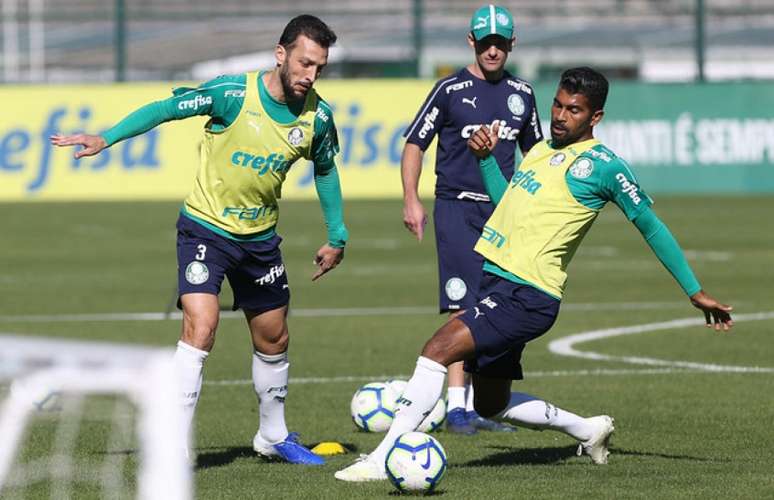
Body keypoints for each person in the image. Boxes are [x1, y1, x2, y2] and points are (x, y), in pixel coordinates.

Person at [335, 66, 733, 481]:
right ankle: (588, 429)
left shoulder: (604, 166)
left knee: (437, 349)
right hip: (497, 281)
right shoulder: (542, 149)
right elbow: (506, 201)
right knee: (490, 403)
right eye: (557, 105)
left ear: (595, 117)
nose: (560, 116)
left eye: (573, 110)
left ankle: (381, 461)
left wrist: (694, 290)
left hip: (527, 294)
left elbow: (650, 224)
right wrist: (486, 159)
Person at [51, 15, 347, 465]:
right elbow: (165, 109)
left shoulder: (318, 118)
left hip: (260, 239)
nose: (310, 75)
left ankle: (272, 436)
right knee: (201, 327)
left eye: (319, 68)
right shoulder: (232, 94)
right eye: (305, 63)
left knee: (274, 338)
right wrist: (106, 137)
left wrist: (337, 234)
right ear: (281, 54)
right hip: (205, 228)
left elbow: (325, 170)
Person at [402, 4, 541, 434]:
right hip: (458, 209)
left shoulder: (523, 94)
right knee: (463, 305)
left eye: (500, 43)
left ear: (512, 44)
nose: (493, 50)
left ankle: (484, 403)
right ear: (472, 42)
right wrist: (411, 199)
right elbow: (414, 144)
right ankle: (457, 407)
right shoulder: (449, 90)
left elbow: (537, 156)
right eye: (486, 43)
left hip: (505, 215)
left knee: (497, 304)